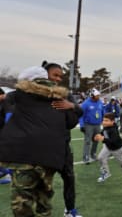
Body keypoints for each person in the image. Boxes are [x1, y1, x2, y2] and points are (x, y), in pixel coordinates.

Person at [0, 66, 79, 216]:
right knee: (44, 199)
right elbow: (72, 121)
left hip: (23, 155)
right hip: (51, 157)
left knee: (22, 201)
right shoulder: (60, 97)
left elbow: (3, 118)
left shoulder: (16, 96)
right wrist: (73, 107)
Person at [45, 61, 84, 217]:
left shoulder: (65, 94)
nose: (58, 79)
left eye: (60, 76)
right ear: (44, 74)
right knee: (42, 183)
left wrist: (71, 106)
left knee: (69, 178)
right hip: (43, 147)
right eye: (55, 75)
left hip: (63, 146)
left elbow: (80, 111)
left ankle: (70, 210)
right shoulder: (35, 94)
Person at [93, 112, 122, 183]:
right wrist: (97, 137)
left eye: (106, 121)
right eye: (103, 120)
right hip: (108, 147)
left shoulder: (113, 130)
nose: (104, 122)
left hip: (117, 148)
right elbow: (103, 134)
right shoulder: (106, 127)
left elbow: (113, 141)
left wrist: (103, 139)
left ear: (112, 121)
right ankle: (106, 172)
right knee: (101, 158)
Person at [79, 88, 104, 164]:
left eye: (99, 95)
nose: (98, 96)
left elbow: (102, 112)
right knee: (87, 141)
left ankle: (93, 154)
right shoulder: (85, 104)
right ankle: (86, 157)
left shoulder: (100, 102)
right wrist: (82, 125)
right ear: (92, 96)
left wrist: (103, 120)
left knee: (96, 140)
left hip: (97, 124)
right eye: (97, 95)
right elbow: (80, 115)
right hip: (88, 125)